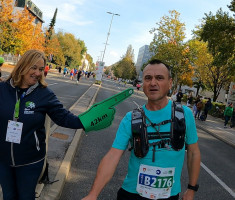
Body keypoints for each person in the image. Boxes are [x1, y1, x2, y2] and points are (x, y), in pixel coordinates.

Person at [0, 49, 119, 200]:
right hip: (3, 160)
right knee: (8, 196)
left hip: (30, 162)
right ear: (23, 66)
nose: (38, 73)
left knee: (25, 197)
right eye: (34, 68)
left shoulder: (44, 94)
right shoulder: (3, 89)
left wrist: (87, 121)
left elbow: (63, 117)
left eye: (41, 69)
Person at [82, 59, 201, 200]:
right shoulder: (130, 118)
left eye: (159, 78)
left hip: (169, 196)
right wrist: (93, 194)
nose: (153, 83)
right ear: (143, 83)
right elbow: (113, 155)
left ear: (170, 83)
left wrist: (191, 189)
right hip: (132, 195)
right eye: (148, 78)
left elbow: (193, 153)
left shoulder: (185, 115)